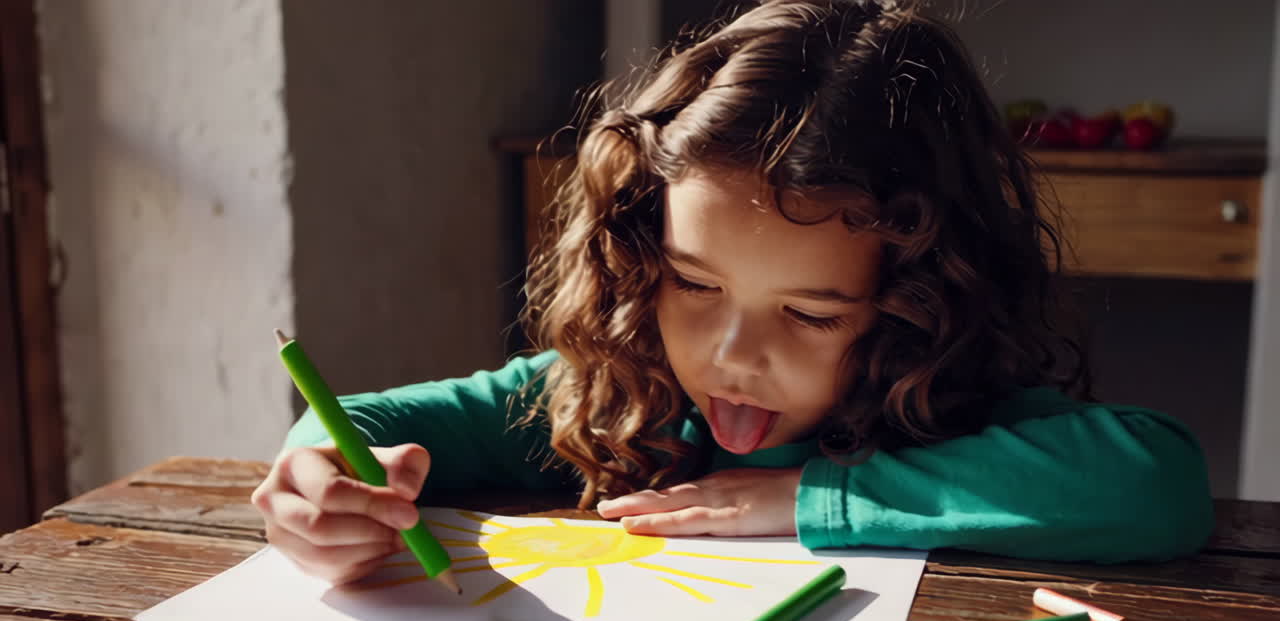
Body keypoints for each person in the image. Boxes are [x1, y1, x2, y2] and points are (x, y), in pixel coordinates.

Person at [251, 0, 1213, 585]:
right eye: (694, 284)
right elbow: (363, 422)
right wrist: (320, 484)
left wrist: (811, 495)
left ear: (921, 300)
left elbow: (1157, 484)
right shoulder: (622, 391)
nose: (732, 356)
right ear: (642, 255)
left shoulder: (945, 407)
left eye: (810, 313)